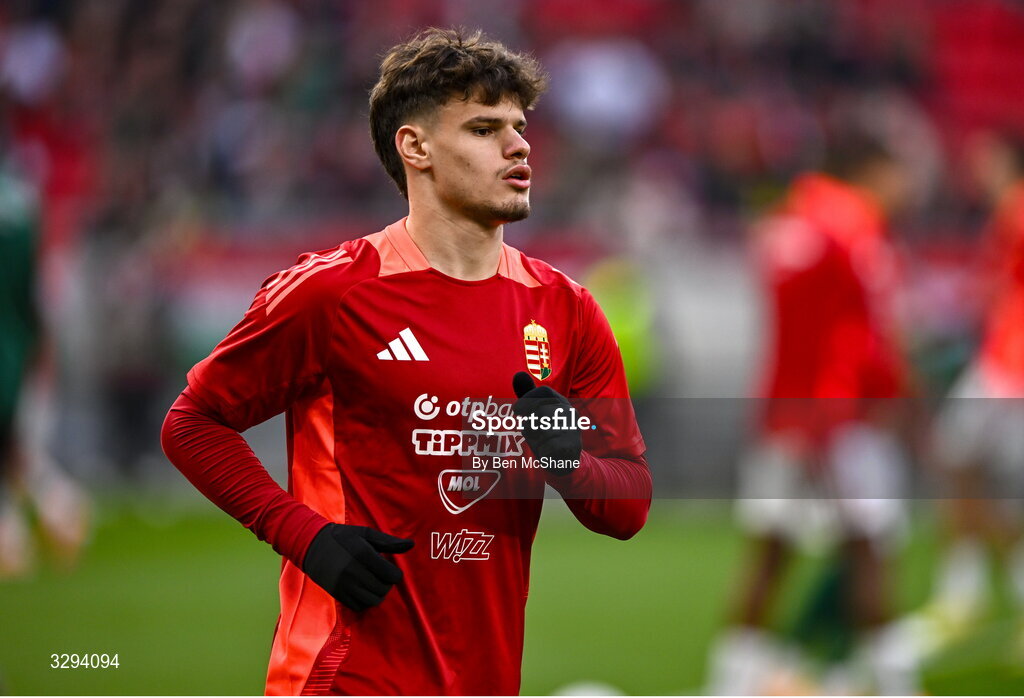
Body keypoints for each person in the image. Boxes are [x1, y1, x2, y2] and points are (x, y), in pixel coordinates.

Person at [161, 28, 651, 696]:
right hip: (342, 674)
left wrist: (568, 461)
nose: (519, 145)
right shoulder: (333, 292)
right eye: (484, 128)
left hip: (486, 678)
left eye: (519, 126)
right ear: (415, 147)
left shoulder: (567, 310)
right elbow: (193, 422)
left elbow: (627, 507)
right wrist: (305, 537)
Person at [705, 138, 918, 695]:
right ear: (870, 169)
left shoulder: (783, 222)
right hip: (840, 418)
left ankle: (728, 682)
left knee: (770, 554)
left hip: (781, 413)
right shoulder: (855, 225)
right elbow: (873, 332)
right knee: (869, 550)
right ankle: (898, 683)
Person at [919, 131, 1024, 644]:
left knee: (955, 460)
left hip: (1009, 368)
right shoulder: (1007, 213)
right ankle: (974, 587)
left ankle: (965, 591)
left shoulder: (1016, 210)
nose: (977, 166)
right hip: (1002, 363)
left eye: (986, 156)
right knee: (976, 478)